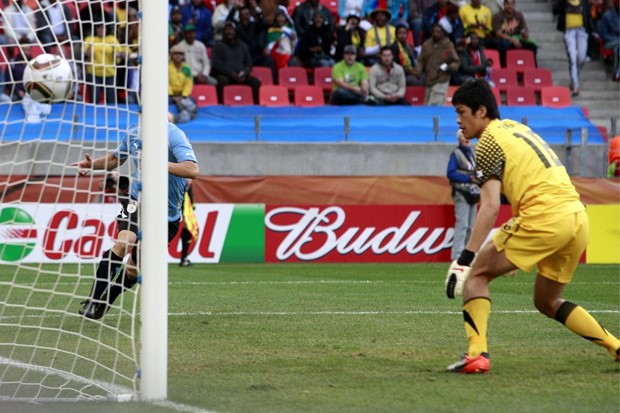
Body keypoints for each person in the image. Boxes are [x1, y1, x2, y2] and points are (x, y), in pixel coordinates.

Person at [444, 78, 620, 374]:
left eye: (462, 112)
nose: (459, 122)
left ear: (482, 111)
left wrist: (465, 259)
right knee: (547, 300)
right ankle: (616, 346)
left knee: (477, 275)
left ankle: (476, 355)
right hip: (576, 216)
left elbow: (489, 207)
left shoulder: (487, 141)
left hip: (544, 217)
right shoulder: (518, 128)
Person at [71, 122, 199, 320]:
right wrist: (92, 165)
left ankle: (109, 298)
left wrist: (159, 163)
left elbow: (192, 169)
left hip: (166, 215)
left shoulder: (174, 135)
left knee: (133, 269)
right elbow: (116, 158)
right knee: (123, 243)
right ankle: (93, 299)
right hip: (137, 203)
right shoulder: (133, 131)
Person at [447, 130, 479, 261]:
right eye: (463, 137)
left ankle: (467, 255)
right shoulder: (456, 154)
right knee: (462, 224)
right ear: (459, 139)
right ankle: (457, 256)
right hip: (462, 192)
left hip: (474, 193)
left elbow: (478, 171)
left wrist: (479, 178)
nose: (467, 139)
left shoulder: (473, 154)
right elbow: (451, 173)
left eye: (467, 137)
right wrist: (469, 178)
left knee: (471, 226)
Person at [211, 20, 262, 103]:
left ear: (235, 32)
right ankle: (222, 104)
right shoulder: (218, 46)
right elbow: (217, 64)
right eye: (227, 30)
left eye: (231, 30)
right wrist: (231, 74)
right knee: (222, 81)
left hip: (241, 75)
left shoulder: (242, 46)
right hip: (226, 75)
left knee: (255, 82)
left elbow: (249, 62)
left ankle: (255, 105)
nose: (229, 32)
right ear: (223, 32)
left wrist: (245, 72)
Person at [553, 0, 594, 96]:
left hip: (581, 30)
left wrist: (592, 31)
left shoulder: (583, 1)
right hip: (569, 31)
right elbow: (555, 10)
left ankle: (573, 80)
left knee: (581, 58)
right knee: (572, 58)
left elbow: (588, 16)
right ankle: (576, 86)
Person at [414, 23, 460, 105]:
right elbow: (421, 60)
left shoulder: (448, 45)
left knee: (435, 105)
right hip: (429, 79)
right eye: (434, 32)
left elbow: (456, 61)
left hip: (442, 79)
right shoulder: (426, 45)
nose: (435, 34)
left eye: (438, 32)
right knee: (427, 105)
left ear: (442, 33)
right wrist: (418, 70)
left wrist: (448, 67)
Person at [83, 22, 128, 104]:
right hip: (94, 73)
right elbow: (83, 54)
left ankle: (112, 116)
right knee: (94, 100)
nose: (101, 30)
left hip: (109, 73)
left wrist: (118, 54)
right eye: (99, 28)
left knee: (111, 100)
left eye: (103, 28)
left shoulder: (112, 39)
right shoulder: (89, 39)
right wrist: (87, 53)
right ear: (95, 29)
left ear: (106, 29)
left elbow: (121, 53)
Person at [487, 0, 538, 67]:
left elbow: (524, 29)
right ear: (504, 4)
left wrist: (524, 34)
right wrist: (512, 40)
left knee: (532, 46)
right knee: (504, 45)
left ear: (515, 5)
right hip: (503, 39)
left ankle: (531, 68)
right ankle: (506, 68)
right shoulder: (498, 16)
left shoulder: (519, 15)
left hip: (516, 38)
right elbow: (498, 33)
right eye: (508, 4)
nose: (510, 6)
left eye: (512, 4)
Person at [168, 43, 198, 123]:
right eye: (175, 53)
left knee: (193, 102)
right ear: (171, 55)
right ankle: (182, 116)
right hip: (168, 95)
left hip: (182, 95)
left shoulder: (186, 68)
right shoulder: (166, 67)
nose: (178, 56)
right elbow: (164, 83)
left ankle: (178, 118)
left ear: (183, 56)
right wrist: (172, 96)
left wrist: (183, 95)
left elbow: (189, 83)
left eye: (180, 54)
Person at [390, 21, 424, 86]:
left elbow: (415, 61)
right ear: (396, 35)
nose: (402, 35)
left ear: (407, 35)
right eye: (400, 33)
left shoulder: (410, 47)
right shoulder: (393, 47)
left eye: (404, 33)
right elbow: (395, 66)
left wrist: (417, 70)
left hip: (413, 72)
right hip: (401, 75)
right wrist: (412, 72)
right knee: (421, 82)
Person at [179, 179, 199, 267]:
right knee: (187, 231)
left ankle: (184, 258)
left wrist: (192, 205)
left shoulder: (187, 185)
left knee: (188, 231)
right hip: (179, 209)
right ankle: (184, 259)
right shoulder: (180, 182)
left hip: (187, 210)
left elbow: (189, 195)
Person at [598, 0, 619, 81]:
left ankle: (617, 73)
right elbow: (603, 34)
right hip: (609, 42)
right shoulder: (607, 16)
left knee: (618, 49)